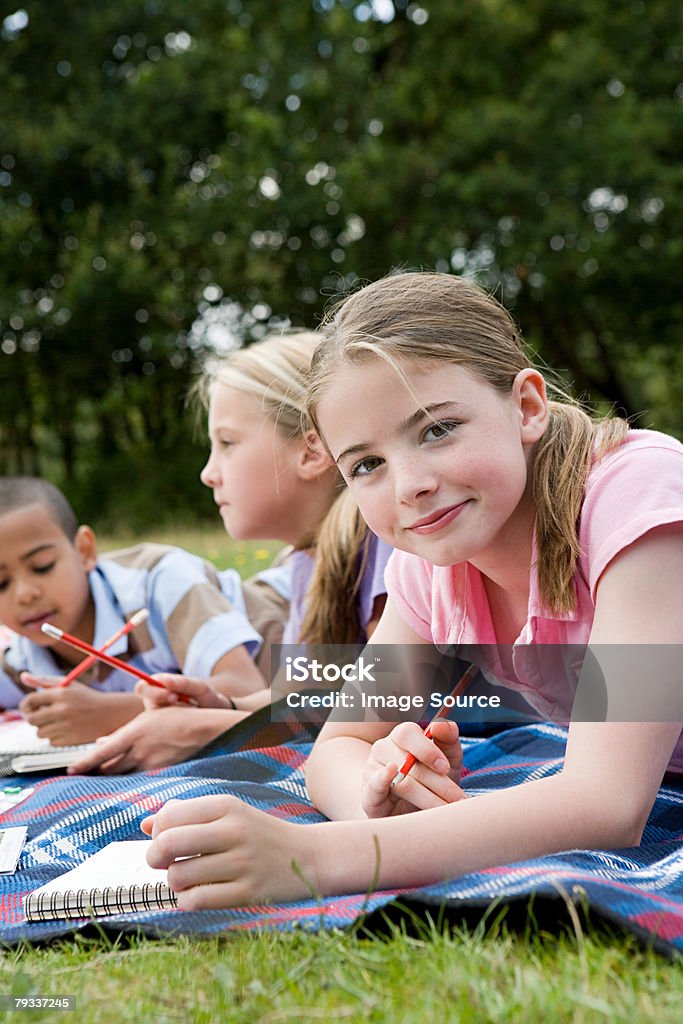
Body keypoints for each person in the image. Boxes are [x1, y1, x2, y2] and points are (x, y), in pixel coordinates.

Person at [141, 270, 683, 910]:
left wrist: (317, 858)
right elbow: (339, 745)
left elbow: (606, 801)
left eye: (437, 429)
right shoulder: (432, 561)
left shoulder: (636, 497)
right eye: (367, 465)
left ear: (527, 407)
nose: (409, 485)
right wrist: (377, 793)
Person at [69, 331, 391, 772]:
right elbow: (305, 695)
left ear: (311, 449)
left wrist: (211, 730)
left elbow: (398, 692)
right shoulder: (307, 565)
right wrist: (222, 703)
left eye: (227, 443)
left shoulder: (385, 543)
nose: (208, 473)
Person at [0, 477, 288, 745]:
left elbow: (246, 688)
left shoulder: (159, 581)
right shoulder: (23, 659)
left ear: (85, 551)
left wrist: (111, 714)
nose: (25, 594)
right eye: (1, 583)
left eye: (43, 566)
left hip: (306, 631)